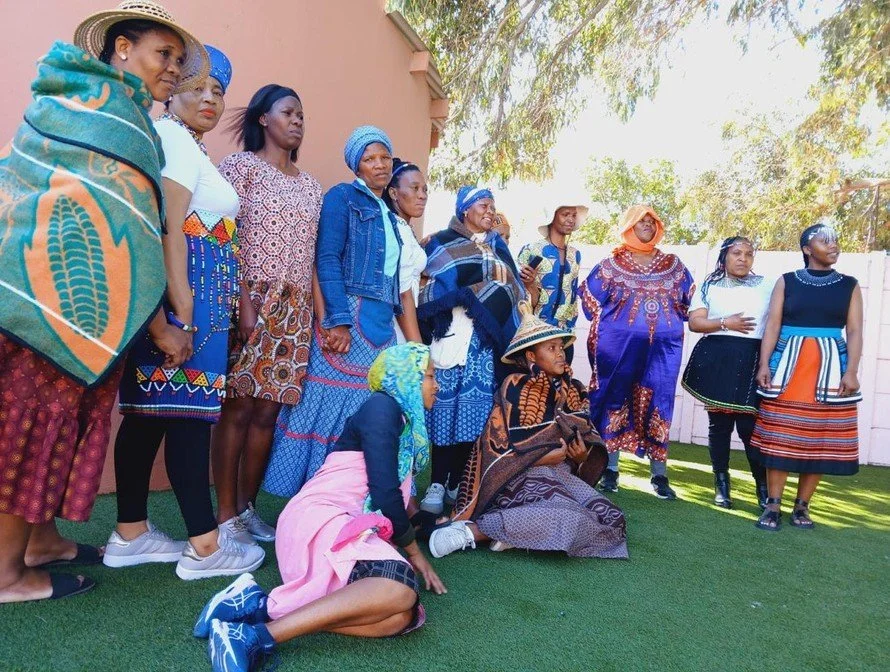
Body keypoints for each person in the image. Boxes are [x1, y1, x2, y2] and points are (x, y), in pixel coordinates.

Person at [0, 0, 204, 603]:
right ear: (122, 47)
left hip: (69, 301)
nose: (173, 68)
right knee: (33, 427)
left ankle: (41, 542)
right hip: (43, 303)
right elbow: (106, 218)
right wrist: (164, 327)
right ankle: (7, 575)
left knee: (61, 425)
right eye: (163, 53)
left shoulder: (121, 111)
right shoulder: (97, 108)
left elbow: (124, 220)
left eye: (176, 58)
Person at [105, 46, 264, 579]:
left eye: (220, 91)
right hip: (185, 302)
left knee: (155, 417)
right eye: (200, 86)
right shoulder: (173, 139)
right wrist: (183, 314)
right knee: (188, 422)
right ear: (173, 90)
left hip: (192, 300)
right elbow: (169, 227)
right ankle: (205, 546)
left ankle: (129, 532)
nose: (212, 99)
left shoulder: (187, 146)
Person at [196, 344, 446, 672]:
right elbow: (385, 494)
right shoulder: (382, 407)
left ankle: (257, 606)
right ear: (406, 378)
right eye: (429, 376)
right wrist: (414, 553)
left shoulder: (399, 420)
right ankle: (252, 637)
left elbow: (392, 497)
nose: (436, 385)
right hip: (318, 519)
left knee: (398, 618)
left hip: (341, 527)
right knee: (399, 590)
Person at [265, 126, 410, 499]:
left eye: (384, 157)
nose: (380, 165)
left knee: (367, 410)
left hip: (380, 324)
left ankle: (346, 498)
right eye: (369, 158)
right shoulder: (342, 198)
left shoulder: (390, 215)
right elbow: (327, 258)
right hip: (349, 318)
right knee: (328, 408)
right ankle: (312, 499)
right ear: (356, 166)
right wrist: (337, 320)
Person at [428, 303, 628, 560]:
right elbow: (495, 449)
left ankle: (510, 534)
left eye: (561, 348)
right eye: (551, 348)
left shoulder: (573, 390)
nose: (560, 355)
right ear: (532, 357)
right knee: (567, 517)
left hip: (561, 476)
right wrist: (545, 457)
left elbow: (585, 440)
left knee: (611, 517)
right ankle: (470, 533)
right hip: (518, 480)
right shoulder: (514, 386)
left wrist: (578, 459)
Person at [211, 85, 323, 543]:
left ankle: (247, 508)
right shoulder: (241, 169)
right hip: (250, 299)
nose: (297, 121)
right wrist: (242, 301)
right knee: (237, 409)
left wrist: (317, 315)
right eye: (288, 112)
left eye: (302, 114)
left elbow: (313, 257)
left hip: (294, 308)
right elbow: (224, 234)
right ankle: (223, 515)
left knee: (267, 414)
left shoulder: (312, 186)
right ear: (263, 118)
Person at [416, 186, 525, 515]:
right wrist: (469, 294)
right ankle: (436, 483)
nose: (490, 211)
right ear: (465, 209)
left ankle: (456, 484)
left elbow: (512, 289)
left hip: (484, 344)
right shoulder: (441, 242)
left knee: (473, 413)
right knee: (443, 409)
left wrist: (492, 292)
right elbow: (429, 286)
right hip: (451, 335)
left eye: (493, 206)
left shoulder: (498, 246)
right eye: (484, 205)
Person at [751, 223, 863, 531]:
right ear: (806, 248)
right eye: (824, 240)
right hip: (787, 366)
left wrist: (851, 371)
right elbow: (772, 325)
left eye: (836, 240)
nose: (833, 245)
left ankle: (802, 507)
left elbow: (854, 330)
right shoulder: (786, 282)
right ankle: (772, 505)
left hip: (829, 370)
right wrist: (764, 365)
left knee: (818, 439)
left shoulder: (849, 285)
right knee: (780, 438)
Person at [580, 205, 694, 500]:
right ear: (628, 225)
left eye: (651, 221)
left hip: (663, 353)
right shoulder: (611, 263)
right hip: (616, 350)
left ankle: (659, 475)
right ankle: (610, 469)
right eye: (640, 221)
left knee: (660, 403)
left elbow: (688, 303)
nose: (646, 225)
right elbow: (589, 302)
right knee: (614, 398)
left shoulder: (673, 264)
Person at [682, 237, 774, 509]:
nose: (743, 258)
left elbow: (777, 321)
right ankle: (722, 485)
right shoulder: (708, 286)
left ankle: (763, 488)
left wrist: (767, 362)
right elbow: (695, 323)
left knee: (749, 428)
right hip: (718, 356)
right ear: (724, 257)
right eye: (737, 253)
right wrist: (726, 323)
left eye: (748, 254)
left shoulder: (768, 285)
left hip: (753, 357)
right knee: (719, 425)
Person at [517, 198, 588, 364]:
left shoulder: (575, 255)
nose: (571, 219)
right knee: (535, 388)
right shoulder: (532, 250)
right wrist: (529, 284)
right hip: (537, 335)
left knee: (563, 386)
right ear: (552, 217)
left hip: (564, 336)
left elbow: (571, 297)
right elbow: (522, 301)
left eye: (574, 215)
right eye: (565, 214)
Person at [382, 158, 428, 343]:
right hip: (397, 328)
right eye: (415, 188)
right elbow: (402, 293)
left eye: (425, 189)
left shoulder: (404, 230)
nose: (422, 195)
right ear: (394, 193)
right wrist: (417, 347)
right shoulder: (397, 230)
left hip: (403, 326)